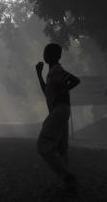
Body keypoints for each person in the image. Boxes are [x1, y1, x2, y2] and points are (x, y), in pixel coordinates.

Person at [35, 43, 81, 188]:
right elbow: (47, 92)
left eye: (47, 52)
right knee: (61, 148)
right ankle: (68, 183)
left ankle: (66, 176)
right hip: (61, 110)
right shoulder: (52, 73)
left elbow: (75, 80)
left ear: (53, 56)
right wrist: (39, 75)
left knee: (43, 144)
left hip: (59, 110)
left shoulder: (56, 71)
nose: (45, 54)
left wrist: (61, 92)